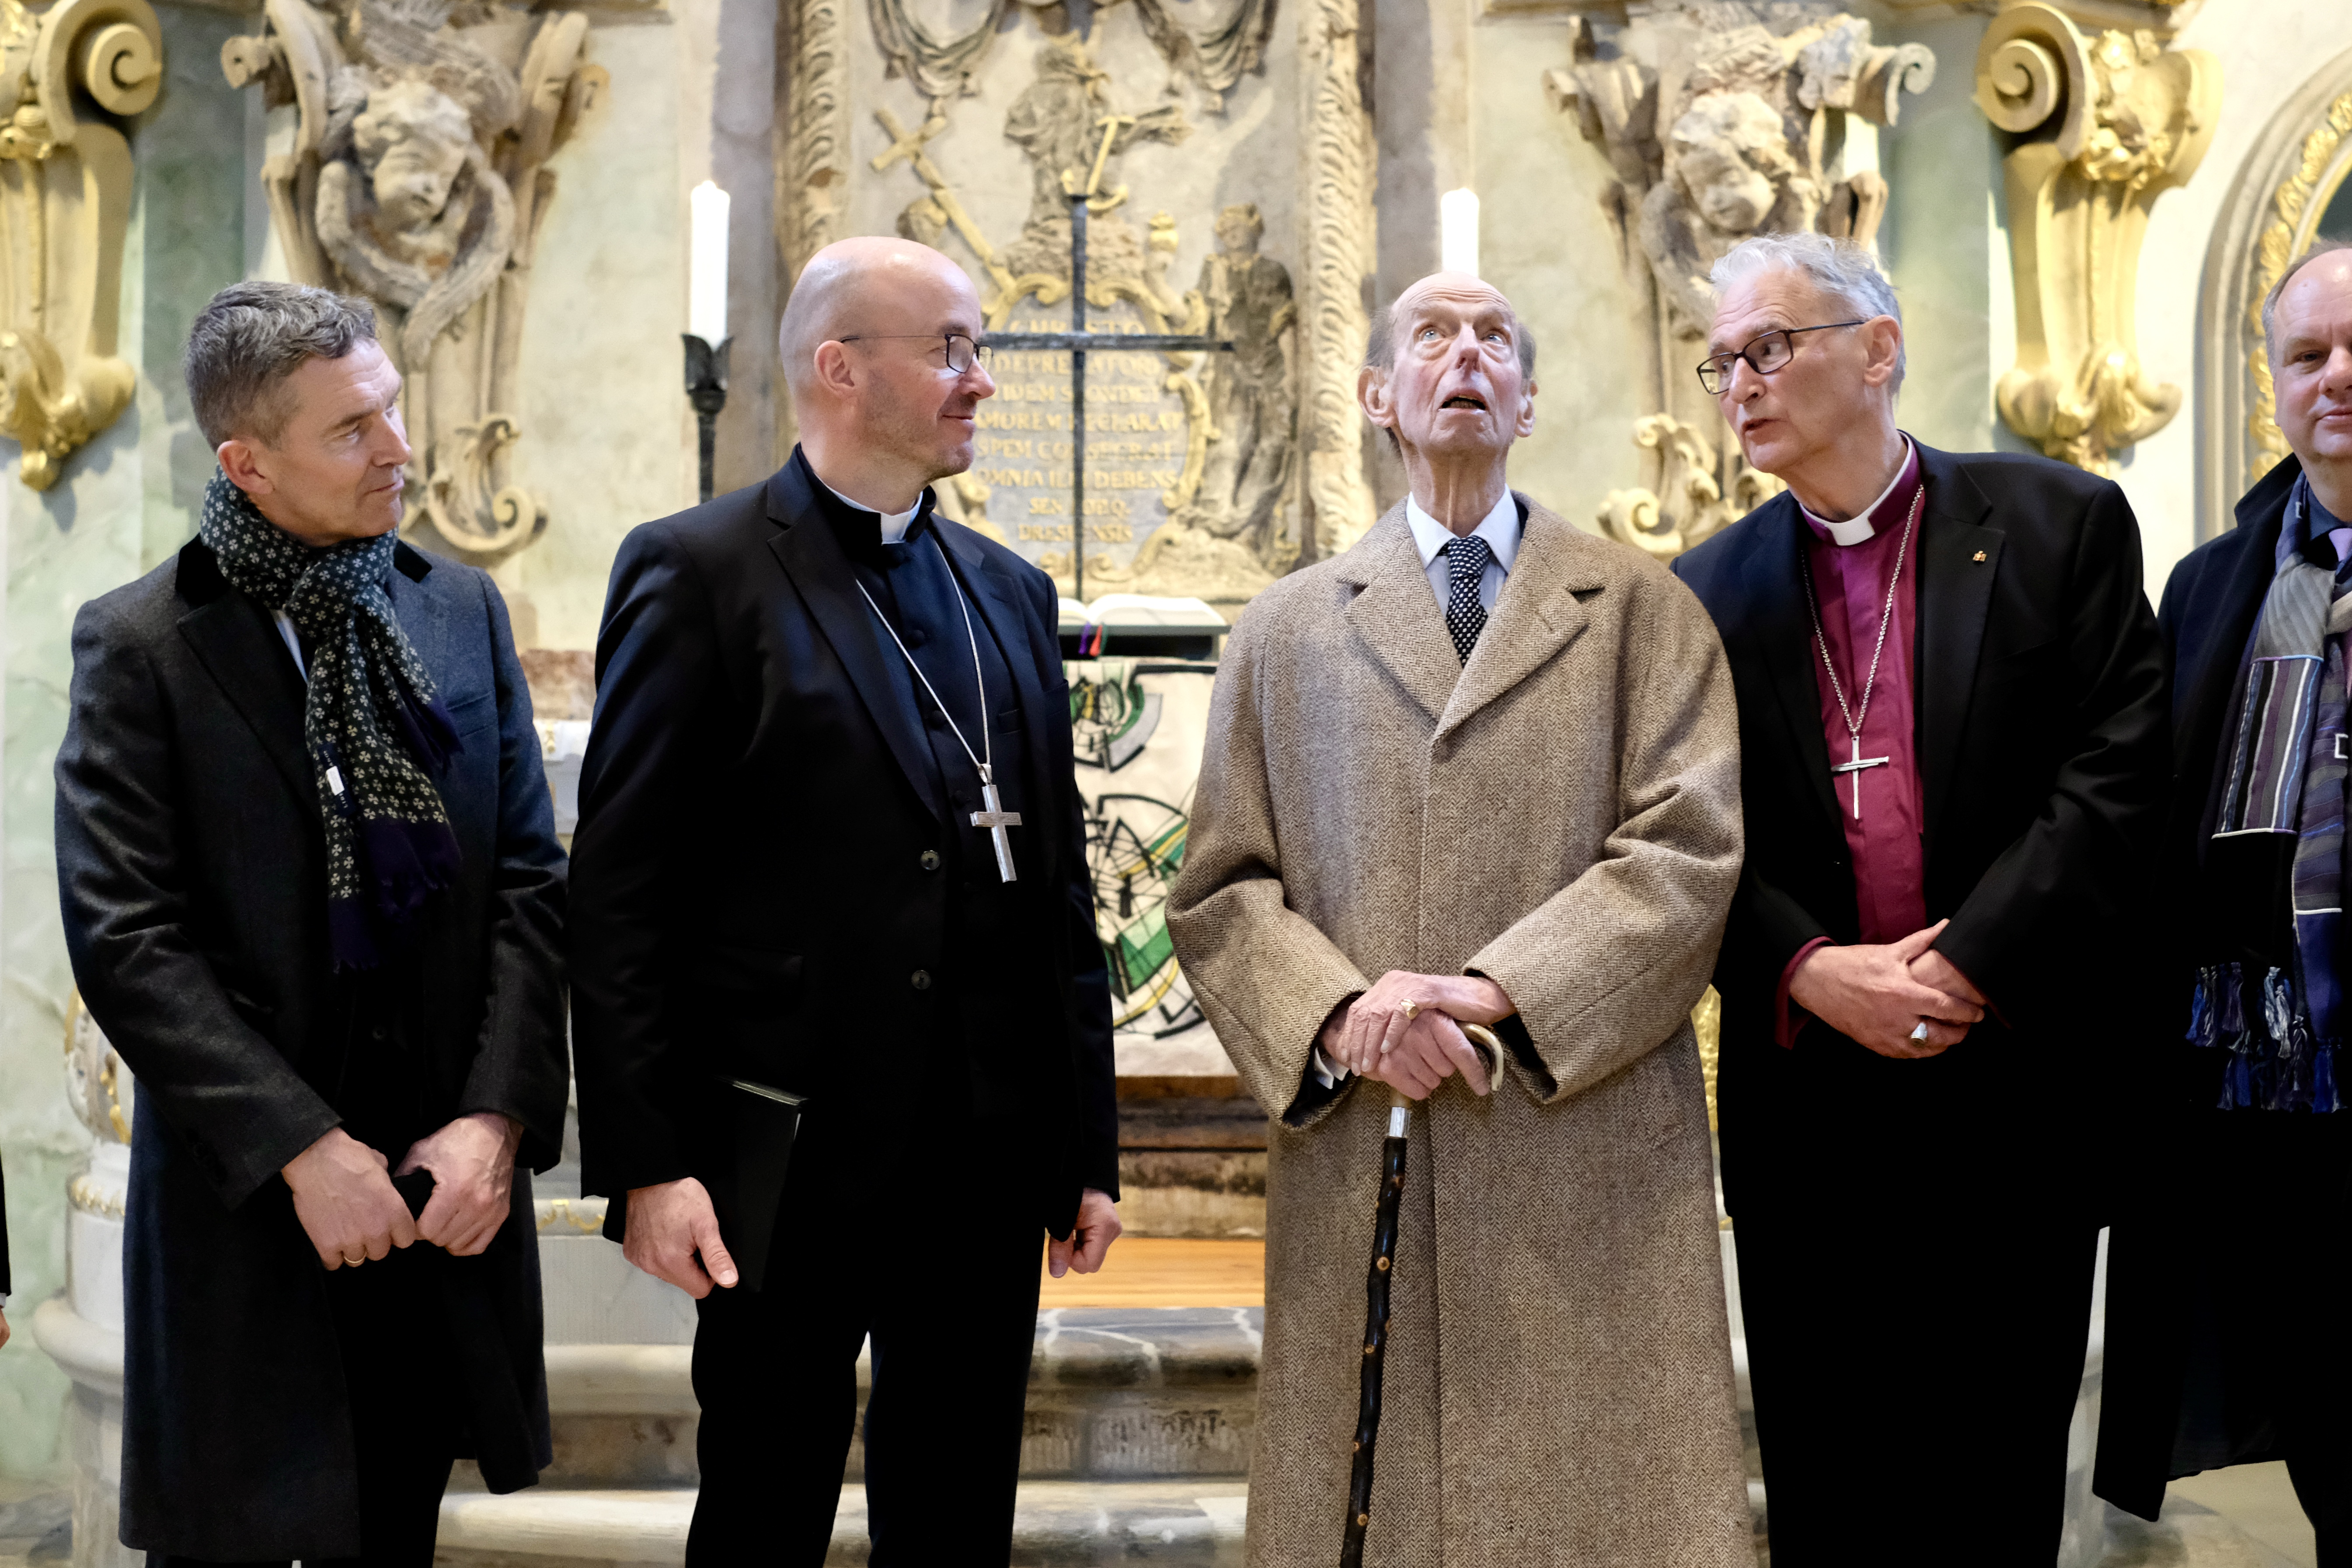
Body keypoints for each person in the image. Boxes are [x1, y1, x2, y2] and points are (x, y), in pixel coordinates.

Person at [1166, 271, 1753, 1568]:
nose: (1466, 355)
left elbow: (1687, 849)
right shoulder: (1283, 630)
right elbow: (1219, 889)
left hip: (1581, 1144)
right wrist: (1343, 1013)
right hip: (1369, 1129)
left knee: (1603, 1513)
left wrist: (1488, 992)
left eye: (1495, 337)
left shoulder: (1640, 609)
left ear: (1530, 398)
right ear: (1379, 396)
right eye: (1430, 336)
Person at [568, 236, 1120, 1565]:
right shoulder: (701, 572)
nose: (979, 379)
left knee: (955, 1513)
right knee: (764, 1506)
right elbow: (619, 889)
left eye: (977, 347)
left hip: (983, 1159)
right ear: (839, 369)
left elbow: (1057, 891)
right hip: (787, 1158)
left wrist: (1084, 1144)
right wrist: (649, 1160)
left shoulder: (1009, 592)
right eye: (950, 348)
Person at [1669, 232, 2167, 1564]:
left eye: (1768, 348)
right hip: (1811, 1112)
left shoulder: (2059, 524)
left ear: (1876, 349)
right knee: (1829, 1499)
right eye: (1721, 360)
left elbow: (2117, 771)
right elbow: (1680, 839)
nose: (1739, 383)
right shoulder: (1699, 595)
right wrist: (1809, 970)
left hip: (2011, 1094)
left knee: (1994, 1494)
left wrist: (1974, 958)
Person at [54, 282, 569, 1566]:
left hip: (434, 1204)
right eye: (353, 429)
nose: (400, 447)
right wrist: (303, 1149)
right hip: (256, 1222)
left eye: (391, 408)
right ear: (247, 460)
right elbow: (128, 934)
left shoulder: (455, 610)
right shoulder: (145, 645)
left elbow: (527, 884)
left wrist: (492, 1125)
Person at [2095, 242, 2352, 1557]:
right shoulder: (2216, 580)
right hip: (2268, 1097)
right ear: (2272, 385)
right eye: (2307, 356)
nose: (2337, 379)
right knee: (2327, 1440)